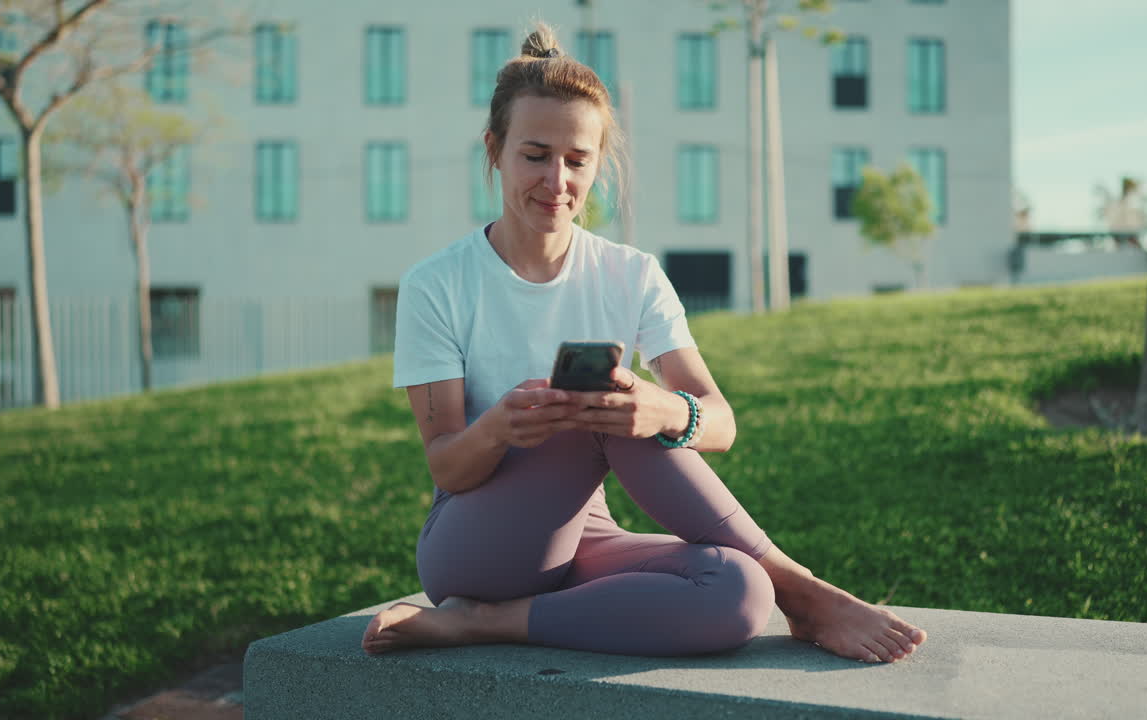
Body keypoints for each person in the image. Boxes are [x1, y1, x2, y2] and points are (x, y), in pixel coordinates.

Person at [362, 24, 927, 663]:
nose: (556, 180)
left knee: (738, 588)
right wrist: (499, 429)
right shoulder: (437, 284)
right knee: (594, 408)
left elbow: (721, 423)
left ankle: (487, 624)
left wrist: (662, 409)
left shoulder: (631, 273)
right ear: (495, 150)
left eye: (577, 160)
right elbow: (446, 464)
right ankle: (806, 592)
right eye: (535, 154)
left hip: (583, 539)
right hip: (472, 546)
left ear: (599, 164)